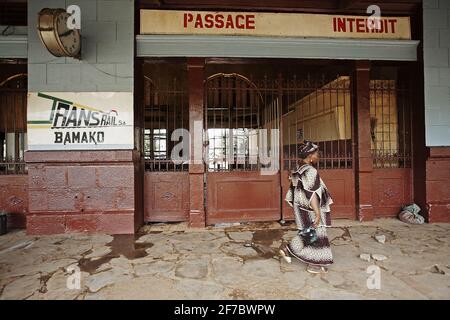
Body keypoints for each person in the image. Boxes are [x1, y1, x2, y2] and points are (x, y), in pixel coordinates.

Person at [280, 140, 334, 274]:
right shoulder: (311, 171)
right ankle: (313, 263)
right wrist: (317, 213)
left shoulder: (299, 168)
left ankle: (287, 249)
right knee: (316, 233)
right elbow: (312, 194)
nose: (318, 156)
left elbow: (294, 190)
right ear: (310, 156)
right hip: (309, 207)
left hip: (300, 207)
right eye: (316, 154)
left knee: (308, 232)